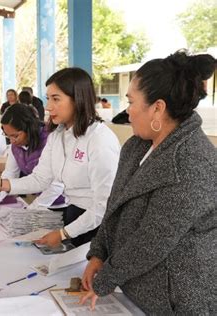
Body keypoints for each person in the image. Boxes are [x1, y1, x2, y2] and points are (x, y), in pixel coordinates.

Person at [79, 52, 216, 314]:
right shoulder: (136, 147)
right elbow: (114, 207)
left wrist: (105, 279)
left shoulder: (192, 163)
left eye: (131, 102)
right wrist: (98, 253)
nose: (127, 111)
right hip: (136, 291)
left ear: (158, 108)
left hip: (178, 301)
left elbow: (152, 240)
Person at [0, 68, 121, 247]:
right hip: (74, 216)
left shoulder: (99, 139)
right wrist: (3, 184)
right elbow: (41, 178)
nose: (48, 107)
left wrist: (64, 233)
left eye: (56, 99)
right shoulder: (58, 135)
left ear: (77, 98)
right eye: (48, 99)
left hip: (97, 225)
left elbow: (104, 204)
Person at [0, 104, 52, 220]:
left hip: (62, 202)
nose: (12, 141)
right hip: (42, 202)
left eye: (15, 136)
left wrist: (32, 209)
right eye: (8, 136)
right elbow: (10, 174)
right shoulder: (16, 146)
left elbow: (54, 185)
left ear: (28, 128)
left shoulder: (49, 140)